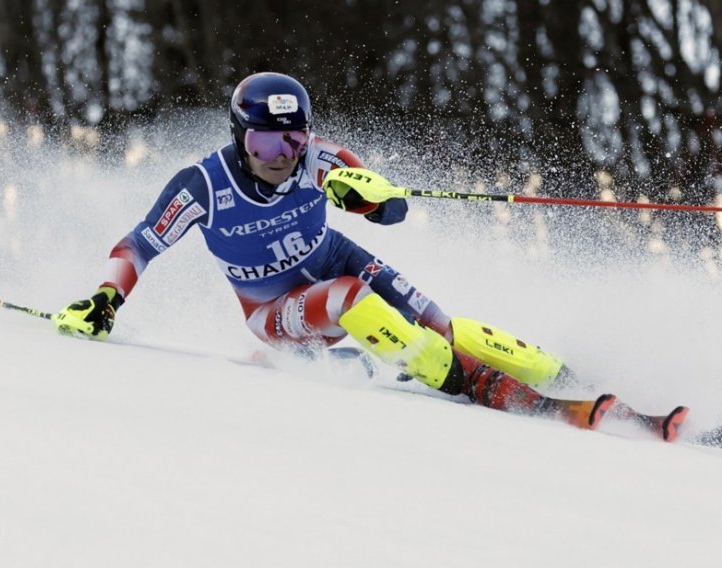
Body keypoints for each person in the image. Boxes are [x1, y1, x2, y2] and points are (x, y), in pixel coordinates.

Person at [54, 72, 612, 429]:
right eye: (265, 140)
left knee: (442, 323)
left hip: (335, 255)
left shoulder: (319, 159)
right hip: (274, 311)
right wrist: (106, 299)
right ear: (239, 136)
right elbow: (139, 244)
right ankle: (465, 382)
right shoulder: (203, 185)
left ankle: (566, 379)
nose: (282, 154)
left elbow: (392, 210)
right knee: (349, 299)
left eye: (294, 138)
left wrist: (367, 197)